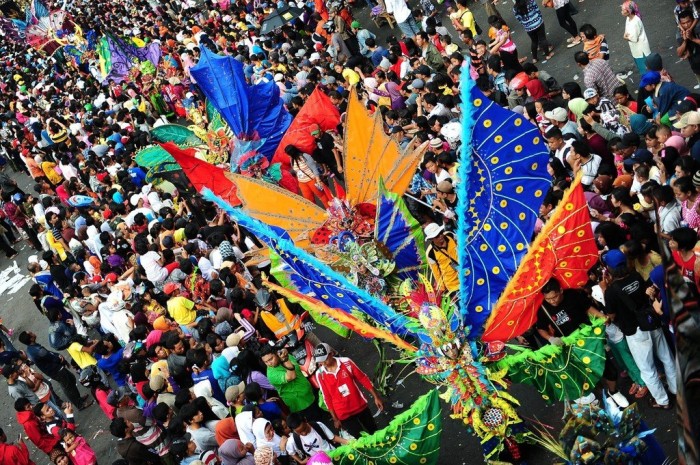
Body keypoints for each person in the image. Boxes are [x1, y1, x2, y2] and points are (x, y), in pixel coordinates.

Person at [602, 249, 677, 409]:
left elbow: (611, 315)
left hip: (635, 333)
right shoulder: (636, 276)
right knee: (666, 357)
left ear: (609, 269)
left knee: (647, 369)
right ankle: (676, 389)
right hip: (651, 322)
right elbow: (645, 294)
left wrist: (604, 289)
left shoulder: (610, 291)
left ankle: (662, 401)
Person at [313, 343, 383, 438]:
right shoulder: (319, 374)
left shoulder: (346, 362)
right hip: (343, 414)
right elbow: (327, 397)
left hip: (360, 406)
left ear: (331, 354)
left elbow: (363, 378)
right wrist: (335, 419)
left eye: (324, 359)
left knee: (374, 431)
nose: (323, 363)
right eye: (320, 361)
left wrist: (376, 397)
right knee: (359, 439)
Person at [18, 330, 93, 410]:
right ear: (31, 339)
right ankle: (79, 404)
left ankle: (78, 399)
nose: (33, 332)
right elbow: (50, 356)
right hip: (56, 370)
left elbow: (49, 353)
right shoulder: (37, 350)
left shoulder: (31, 348)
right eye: (31, 333)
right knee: (68, 386)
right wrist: (59, 358)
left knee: (71, 379)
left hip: (55, 369)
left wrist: (58, 356)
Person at [261, 346, 322, 421]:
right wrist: (285, 359)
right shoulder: (271, 374)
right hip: (300, 404)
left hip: (310, 393)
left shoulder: (287, 356)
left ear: (276, 353)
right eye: (266, 362)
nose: (269, 363)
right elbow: (291, 376)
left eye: (270, 359)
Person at [424, 223, 460, 293]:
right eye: (437, 236)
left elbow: (463, 245)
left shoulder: (450, 235)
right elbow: (436, 273)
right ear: (431, 239)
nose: (441, 236)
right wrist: (442, 290)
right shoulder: (430, 253)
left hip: (466, 274)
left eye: (441, 232)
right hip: (453, 285)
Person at [621, 1, 650, 74]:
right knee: (641, 67)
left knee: (645, 69)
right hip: (635, 49)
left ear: (629, 11)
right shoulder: (628, 19)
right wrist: (627, 36)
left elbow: (634, 38)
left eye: (623, 10)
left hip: (641, 50)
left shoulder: (636, 21)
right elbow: (627, 32)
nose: (621, 11)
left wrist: (625, 37)